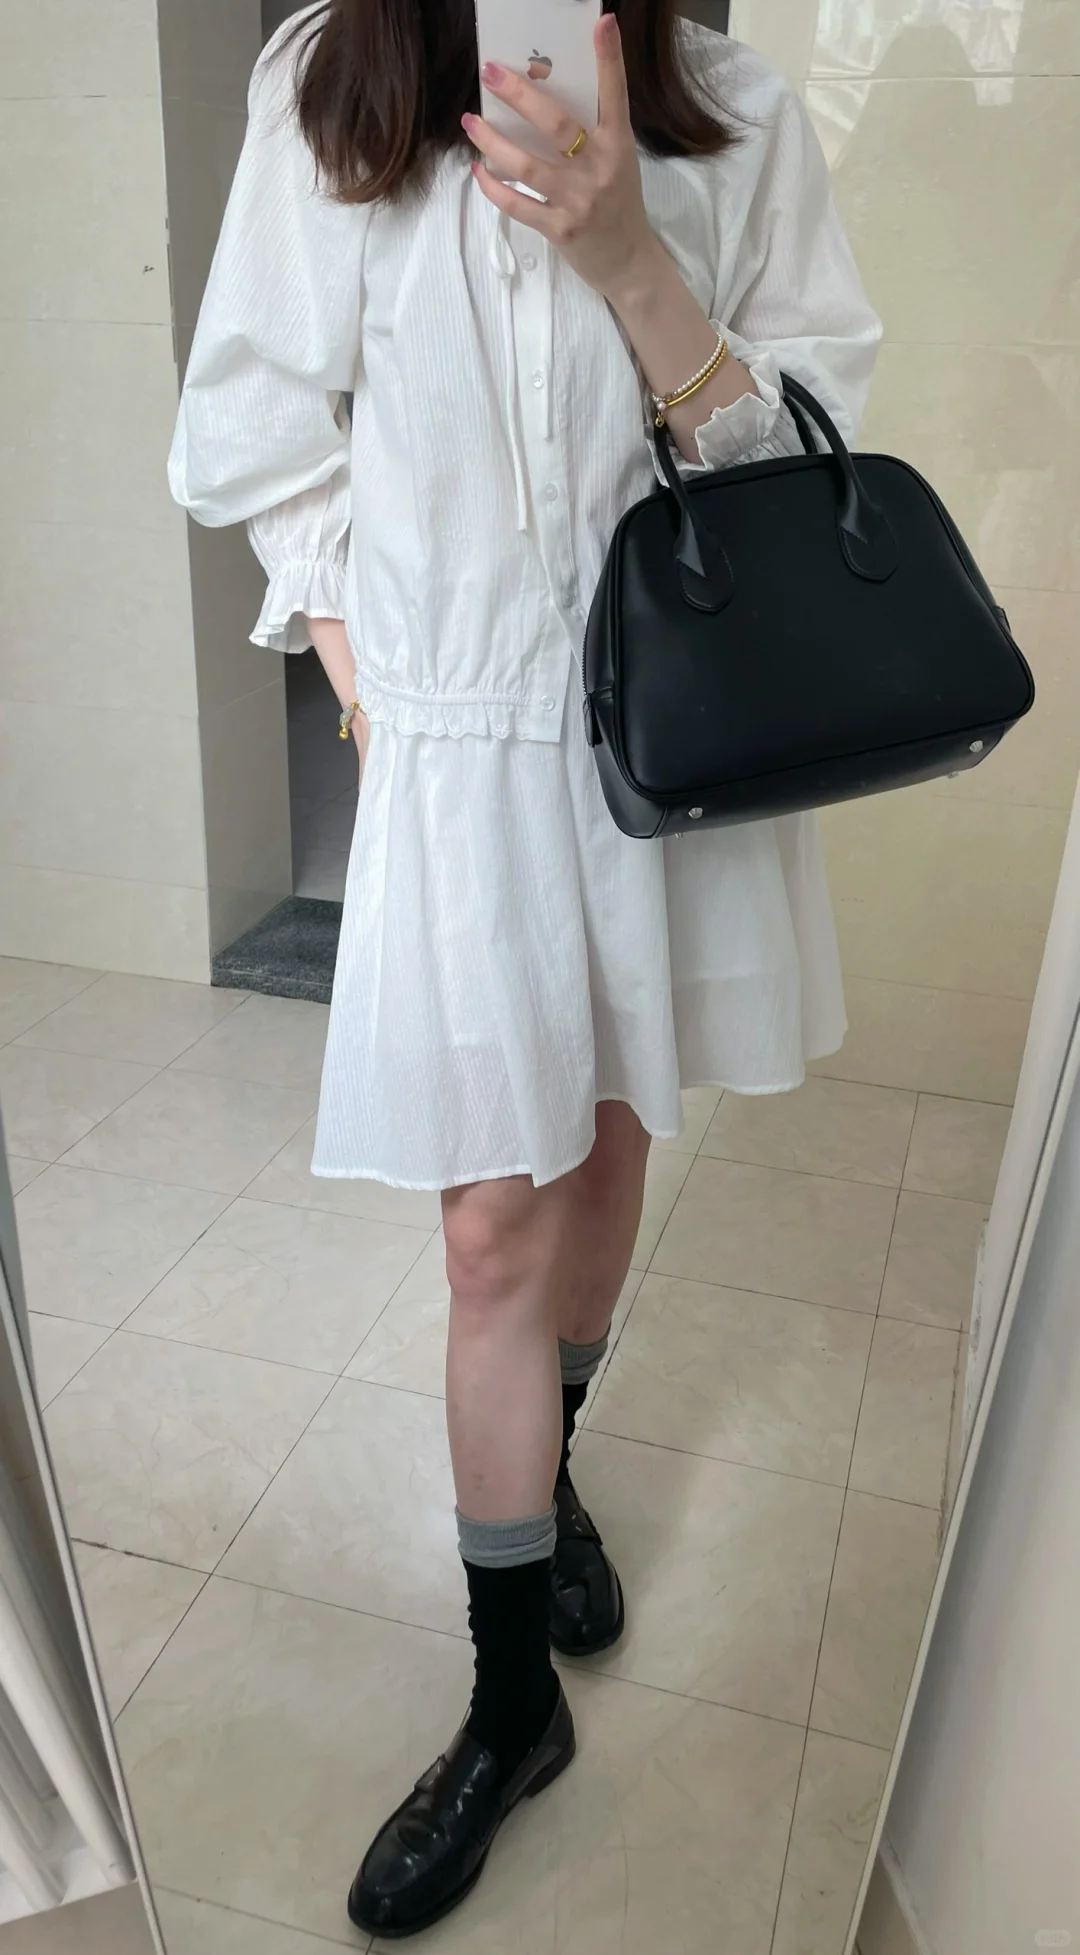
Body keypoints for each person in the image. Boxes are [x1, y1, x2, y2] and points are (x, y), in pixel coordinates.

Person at [169, 0, 880, 1936]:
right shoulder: (331, 79)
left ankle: (545, 1471)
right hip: (462, 749)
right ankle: (506, 1706)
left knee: (615, 1137)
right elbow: (254, 412)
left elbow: (811, 450)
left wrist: (632, 254)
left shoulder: (730, 108)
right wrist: (354, 657)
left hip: (668, 736)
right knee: (493, 1224)